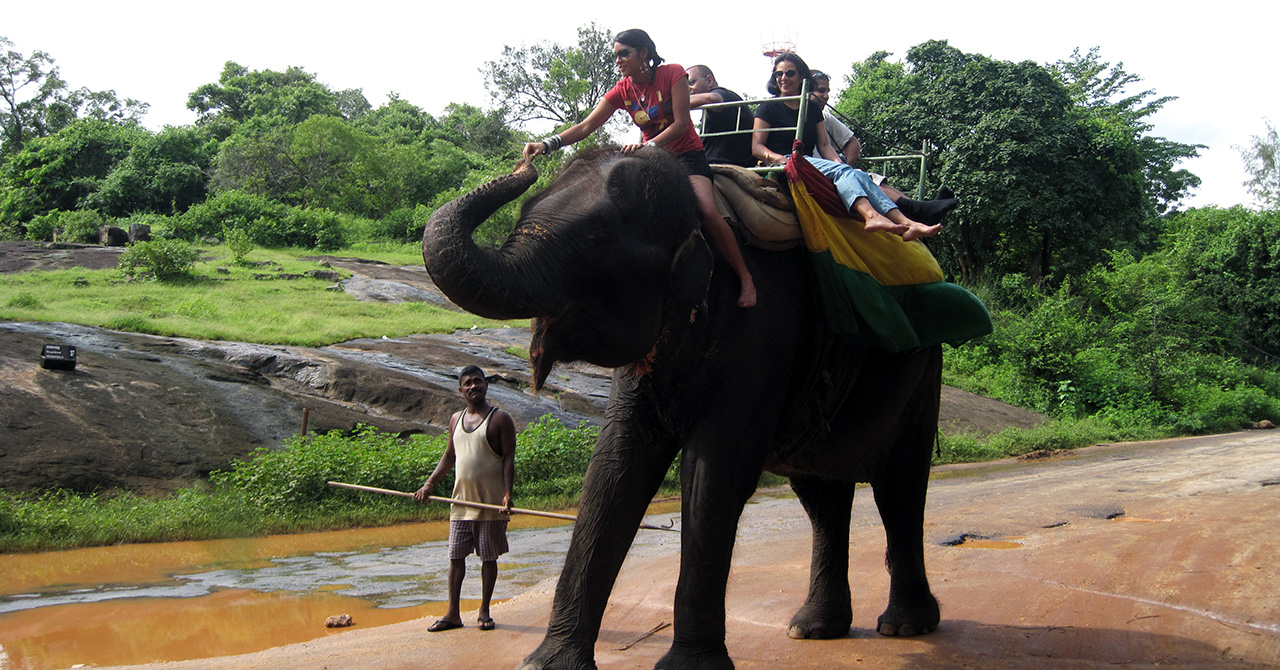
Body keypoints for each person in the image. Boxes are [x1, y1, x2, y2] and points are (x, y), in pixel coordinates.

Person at [523, 29, 757, 308]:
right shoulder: (623, 89)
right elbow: (586, 126)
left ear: (644, 52)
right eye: (616, 56)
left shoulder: (673, 74)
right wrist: (548, 143)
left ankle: (745, 278)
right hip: (649, 161)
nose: (619, 60)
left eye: (625, 53)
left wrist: (652, 146)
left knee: (706, 209)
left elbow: (682, 123)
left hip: (686, 156)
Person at [752, 53, 940, 241]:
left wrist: (840, 165)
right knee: (845, 172)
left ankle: (906, 223)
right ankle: (873, 216)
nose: (783, 78)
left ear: (801, 77)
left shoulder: (812, 107)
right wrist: (779, 159)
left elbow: (824, 145)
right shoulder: (768, 107)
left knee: (857, 174)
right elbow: (757, 147)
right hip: (784, 161)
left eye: (789, 73)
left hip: (807, 161)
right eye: (779, 74)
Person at [414, 365, 516, 633]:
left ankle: (484, 611)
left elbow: (508, 460)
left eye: (478, 381)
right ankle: (453, 614)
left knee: (488, 557)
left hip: (490, 504)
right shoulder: (455, 419)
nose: (474, 386)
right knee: (456, 557)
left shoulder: (500, 419)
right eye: (468, 383)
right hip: (460, 502)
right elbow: (450, 457)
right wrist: (429, 483)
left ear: (486, 385)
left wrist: (507, 494)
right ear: (460, 390)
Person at [809, 70, 958, 225]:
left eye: (827, 91)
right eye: (821, 91)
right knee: (863, 179)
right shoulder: (797, 114)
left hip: (835, 169)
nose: (826, 96)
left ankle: (919, 210)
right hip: (817, 170)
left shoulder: (824, 116)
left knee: (871, 178)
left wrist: (845, 167)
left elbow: (850, 143)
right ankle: (919, 213)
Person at [686, 64, 755, 168]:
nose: (688, 89)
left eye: (691, 82)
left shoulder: (721, 94)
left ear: (709, 80)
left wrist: (672, 103)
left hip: (725, 167)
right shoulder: (710, 107)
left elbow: (714, 99)